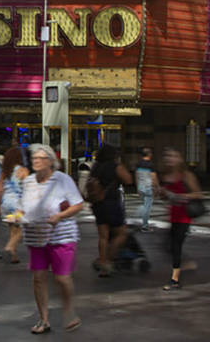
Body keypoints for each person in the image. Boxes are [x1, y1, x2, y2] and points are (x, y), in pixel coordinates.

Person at [19, 143, 84, 334]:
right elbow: (24, 206)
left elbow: (78, 205)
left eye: (40, 158)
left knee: (62, 278)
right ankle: (44, 319)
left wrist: (59, 216)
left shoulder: (62, 180)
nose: (36, 161)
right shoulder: (29, 181)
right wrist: (18, 215)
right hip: (36, 236)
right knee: (38, 278)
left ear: (50, 161)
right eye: (34, 158)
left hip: (61, 236)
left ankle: (69, 311)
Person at [159, 146, 203, 291]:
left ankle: (174, 280)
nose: (170, 159)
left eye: (173, 156)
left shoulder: (186, 175)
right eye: (168, 156)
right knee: (170, 246)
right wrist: (163, 193)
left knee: (176, 246)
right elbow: (164, 197)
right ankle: (183, 265)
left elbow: (198, 194)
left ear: (179, 159)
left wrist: (183, 196)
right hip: (172, 214)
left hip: (184, 215)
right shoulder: (166, 176)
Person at [88, 144, 132, 276]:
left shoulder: (96, 167)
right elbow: (129, 180)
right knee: (121, 233)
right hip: (111, 203)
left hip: (97, 203)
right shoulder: (115, 166)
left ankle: (102, 265)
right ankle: (108, 260)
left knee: (103, 236)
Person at [0, 146, 29, 264]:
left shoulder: (5, 171)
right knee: (25, 226)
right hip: (17, 204)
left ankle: (13, 255)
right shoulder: (22, 170)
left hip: (6, 203)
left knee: (13, 228)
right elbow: (28, 187)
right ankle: (11, 246)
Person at [135, 147, 158, 232]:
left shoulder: (138, 164)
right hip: (148, 188)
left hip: (141, 187)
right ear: (149, 154)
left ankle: (141, 217)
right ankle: (145, 226)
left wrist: (137, 187)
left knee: (144, 205)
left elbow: (136, 176)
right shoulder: (151, 165)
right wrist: (157, 187)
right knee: (147, 207)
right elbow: (154, 178)